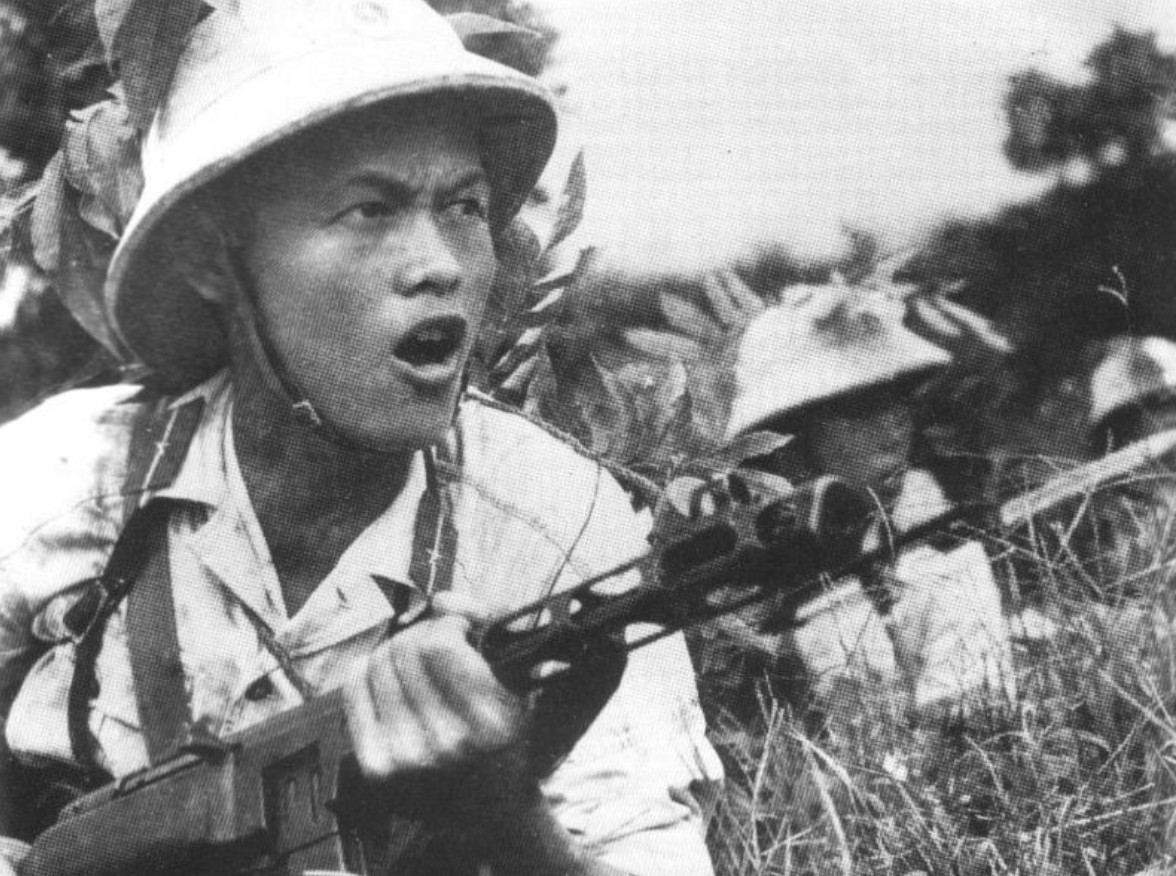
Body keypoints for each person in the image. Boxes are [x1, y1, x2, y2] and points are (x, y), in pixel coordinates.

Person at [0, 2, 721, 874]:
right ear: (213, 261)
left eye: (465, 206)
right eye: (369, 210)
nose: (440, 264)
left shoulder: (555, 529)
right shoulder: (66, 481)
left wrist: (504, 815)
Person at [698, 283, 1016, 729]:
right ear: (789, 446)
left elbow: (974, 723)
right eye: (859, 412)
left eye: (897, 402)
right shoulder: (734, 596)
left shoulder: (943, 556)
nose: (893, 432)